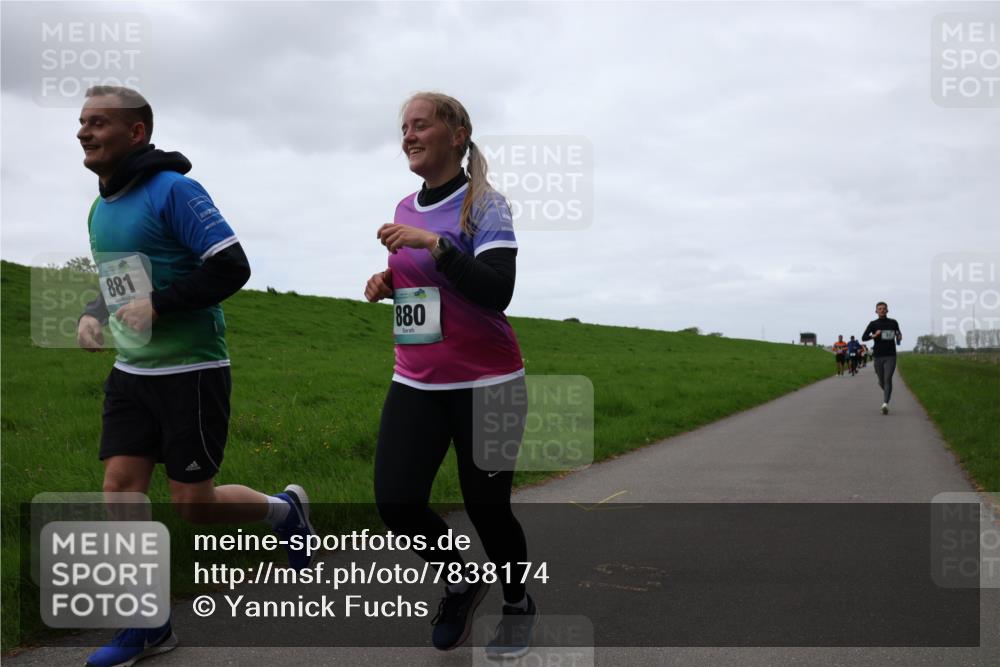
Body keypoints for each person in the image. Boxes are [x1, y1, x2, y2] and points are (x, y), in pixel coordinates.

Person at [74, 86, 314, 667]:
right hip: (131, 372)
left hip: (192, 372)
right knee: (120, 487)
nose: (83, 132)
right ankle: (147, 622)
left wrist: (162, 305)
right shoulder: (101, 205)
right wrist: (94, 310)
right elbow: (123, 277)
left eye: (98, 122)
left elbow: (233, 266)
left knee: (193, 504)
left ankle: (285, 510)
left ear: (137, 132)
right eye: (81, 122)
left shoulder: (175, 191)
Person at [364, 92, 537, 658]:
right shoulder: (405, 206)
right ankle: (460, 580)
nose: (408, 136)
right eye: (404, 128)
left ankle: (517, 602)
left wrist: (436, 244)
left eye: (421, 126)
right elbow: (425, 293)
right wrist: (387, 285)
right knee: (395, 501)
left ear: (457, 133)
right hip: (417, 379)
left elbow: (496, 290)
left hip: (488, 384)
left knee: (489, 509)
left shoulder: (485, 205)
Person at [861, 301, 903, 414]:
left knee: (887, 378)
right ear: (876, 311)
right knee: (881, 381)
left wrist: (899, 337)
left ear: (887, 310)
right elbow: (864, 337)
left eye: (884, 308)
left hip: (891, 355)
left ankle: (885, 404)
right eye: (879, 308)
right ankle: (888, 393)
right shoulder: (873, 324)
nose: (882, 310)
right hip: (878, 355)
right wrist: (874, 335)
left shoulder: (893, 322)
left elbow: (898, 337)